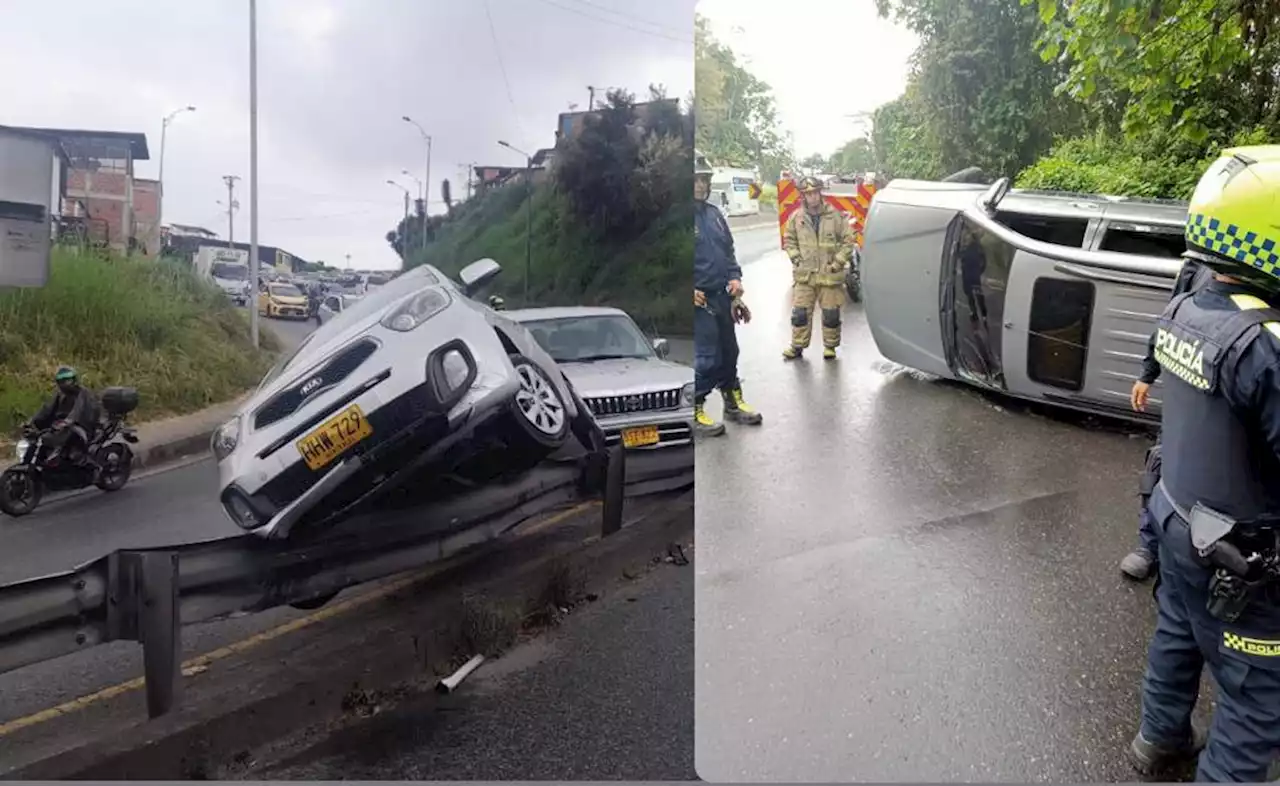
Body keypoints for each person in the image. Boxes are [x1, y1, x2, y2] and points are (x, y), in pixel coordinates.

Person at [1128, 146, 1280, 782]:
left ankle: (1159, 739)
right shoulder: (1266, 345)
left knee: (1179, 633)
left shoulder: (1186, 307)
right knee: (1257, 701)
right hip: (1240, 555)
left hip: (1177, 520)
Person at [1121, 258, 1215, 581]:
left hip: (1239, 400)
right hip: (1188, 391)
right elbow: (1170, 320)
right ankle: (1148, 545)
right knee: (1162, 463)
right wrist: (1148, 372)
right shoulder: (1198, 267)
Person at [693, 153, 763, 436]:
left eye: (704, 179)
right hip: (699, 301)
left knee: (729, 352)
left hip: (722, 296)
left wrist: (735, 279)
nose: (700, 185)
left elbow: (728, 252)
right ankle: (693, 410)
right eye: (695, 180)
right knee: (708, 358)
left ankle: (732, 404)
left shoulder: (713, 215)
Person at [782, 176, 857, 360]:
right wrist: (795, 257)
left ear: (820, 193)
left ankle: (830, 347)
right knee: (800, 313)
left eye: (815, 193)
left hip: (829, 275)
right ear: (803, 196)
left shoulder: (835, 216)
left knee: (831, 314)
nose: (813, 197)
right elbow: (789, 240)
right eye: (809, 194)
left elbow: (849, 240)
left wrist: (838, 262)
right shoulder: (796, 218)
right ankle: (797, 346)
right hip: (805, 275)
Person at [25, 366, 100, 466]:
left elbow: (78, 411)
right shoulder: (60, 395)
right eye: (61, 382)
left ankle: (78, 462)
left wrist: (67, 422)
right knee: (41, 436)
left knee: (66, 436)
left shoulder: (83, 394)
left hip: (82, 425)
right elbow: (47, 409)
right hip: (62, 424)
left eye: (67, 381)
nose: (64, 384)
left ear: (74, 380)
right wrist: (32, 421)